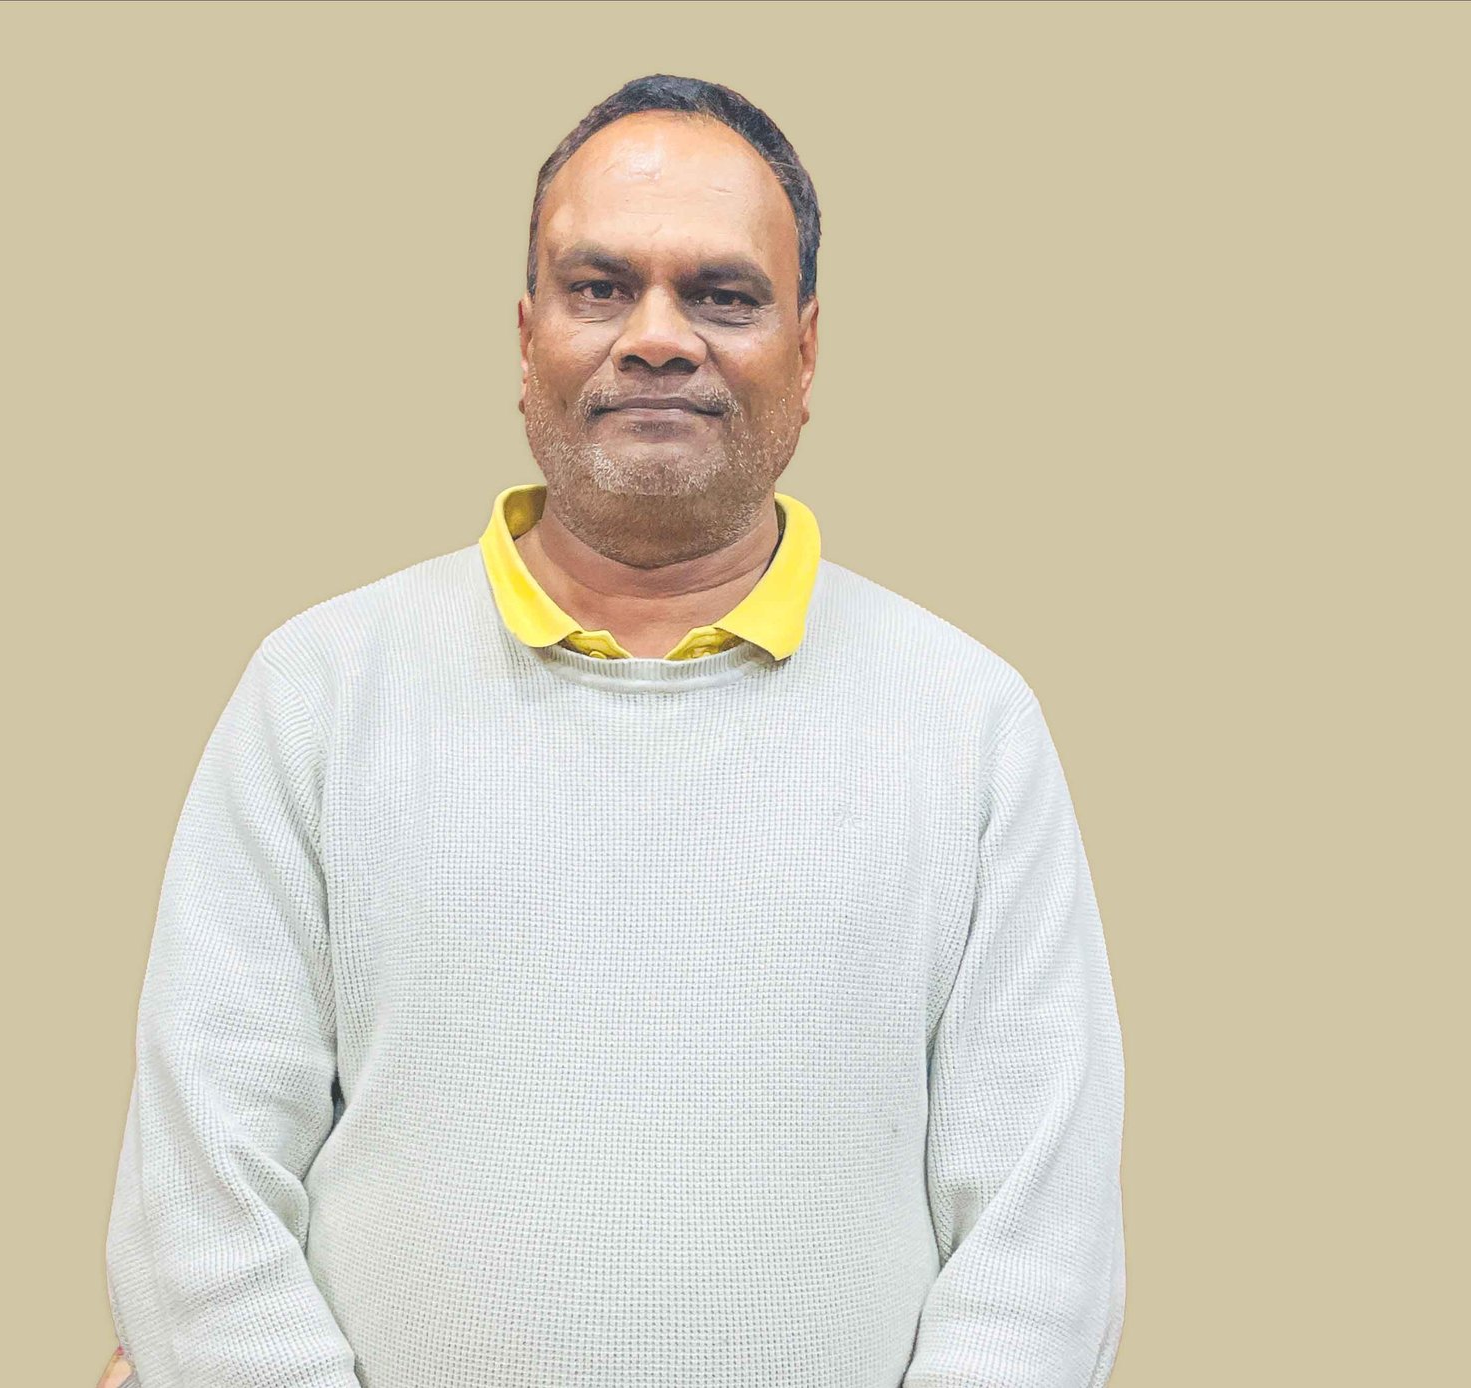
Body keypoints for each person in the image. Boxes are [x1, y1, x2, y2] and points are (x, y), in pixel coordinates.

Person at [102, 73, 1126, 1388]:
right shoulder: (315, 694)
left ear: (808, 350)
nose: (657, 337)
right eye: (600, 288)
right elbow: (201, 1206)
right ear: (527, 337)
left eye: (723, 295)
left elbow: (1040, 1252)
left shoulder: (972, 725)